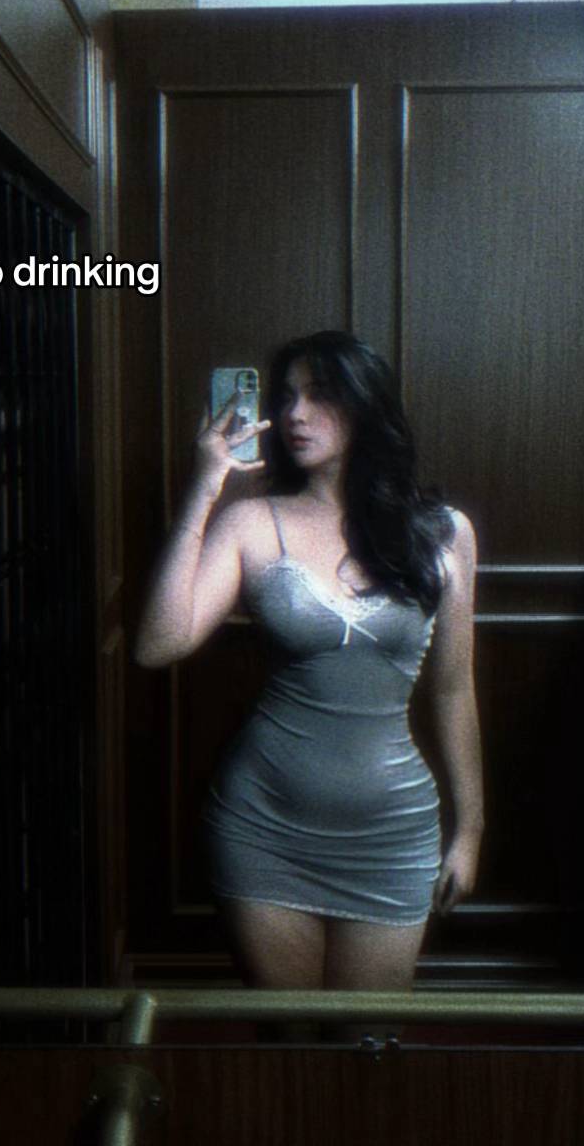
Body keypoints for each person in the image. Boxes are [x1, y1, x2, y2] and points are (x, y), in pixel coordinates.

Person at [135, 331, 482, 1038]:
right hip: (262, 829)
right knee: (289, 1047)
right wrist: (205, 488)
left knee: (369, 1045)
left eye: (319, 394)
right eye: (286, 395)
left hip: (391, 836)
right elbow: (158, 644)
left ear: (365, 405)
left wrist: (471, 829)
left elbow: (453, 690)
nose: (295, 412)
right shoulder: (251, 523)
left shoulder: (444, 533)